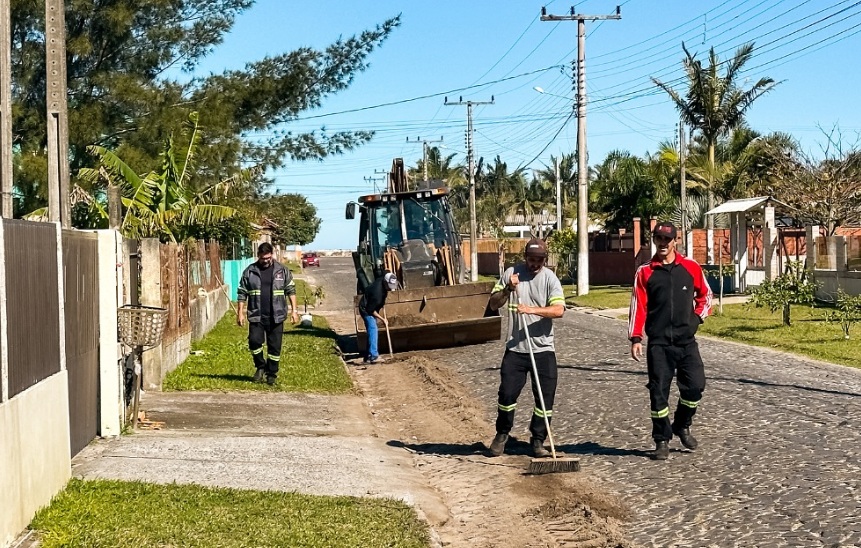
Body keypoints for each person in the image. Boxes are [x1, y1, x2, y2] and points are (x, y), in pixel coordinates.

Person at [628, 221, 713, 460]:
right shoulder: (645, 271)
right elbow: (638, 306)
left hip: (686, 342)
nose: (663, 243)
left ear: (675, 241)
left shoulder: (691, 267)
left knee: (695, 386)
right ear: (654, 240)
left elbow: (706, 296)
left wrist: (696, 319)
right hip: (659, 344)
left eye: (667, 239)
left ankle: (682, 424)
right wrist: (636, 337)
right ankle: (661, 439)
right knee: (658, 393)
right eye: (659, 239)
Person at [486, 238, 566, 458]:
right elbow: (493, 304)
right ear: (525, 258)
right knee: (507, 395)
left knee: (545, 399)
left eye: (539, 260)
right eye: (532, 260)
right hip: (516, 349)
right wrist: (508, 289)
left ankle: (538, 439)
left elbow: (559, 310)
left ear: (545, 260)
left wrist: (532, 310)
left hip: (543, 350)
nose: (535, 264)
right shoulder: (511, 274)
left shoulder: (550, 279)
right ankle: (502, 433)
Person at [237, 243, 299, 385]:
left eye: (268, 258)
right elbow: (242, 293)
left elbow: (291, 290)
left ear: (272, 255)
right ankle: (260, 366)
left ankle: (272, 374)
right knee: (254, 342)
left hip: (276, 315)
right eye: (263, 258)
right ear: (258, 256)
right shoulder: (250, 271)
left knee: (274, 347)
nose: (266, 261)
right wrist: (240, 313)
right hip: (256, 314)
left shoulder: (282, 270)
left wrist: (294, 311)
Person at [358, 271, 399, 364]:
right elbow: (370, 310)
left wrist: (382, 304)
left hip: (372, 304)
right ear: (385, 282)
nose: (390, 288)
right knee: (373, 329)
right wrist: (383, 319)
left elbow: (385, 272)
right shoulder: (377, 294)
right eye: (389, 286)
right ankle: (373, 356)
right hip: (366, 309)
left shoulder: (382, 280)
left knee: (371, 331)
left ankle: (367, 356)